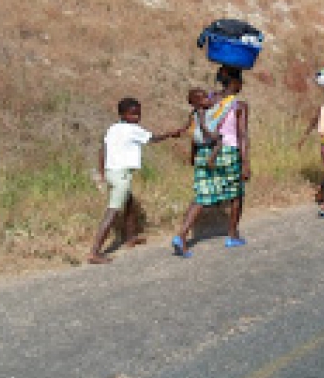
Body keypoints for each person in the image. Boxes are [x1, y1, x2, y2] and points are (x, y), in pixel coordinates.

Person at [89, 98, 185, 264]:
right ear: (122, 114)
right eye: (132, 114)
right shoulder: (133, 129)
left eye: (138, 113)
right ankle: (95, 251)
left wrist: (101, 171)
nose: (136, 117)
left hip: (112, 172)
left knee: (130, 203)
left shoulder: (113, 128)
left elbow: (102, 149)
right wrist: (171, 134)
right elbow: (153, 139)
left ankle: (130, 237)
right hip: (122, 176)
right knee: (112, 212)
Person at [172, 65, 251, 258]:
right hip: (228, 153)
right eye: (240, 82)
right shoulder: (239, 105)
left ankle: (182, 235)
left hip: (203, 153)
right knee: (236, 195)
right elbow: (242, 136)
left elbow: (196, 129)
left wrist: (193, 154)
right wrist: (246, 163)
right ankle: (232, 235)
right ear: (235, 82)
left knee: (201, 195)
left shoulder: (206, 100)